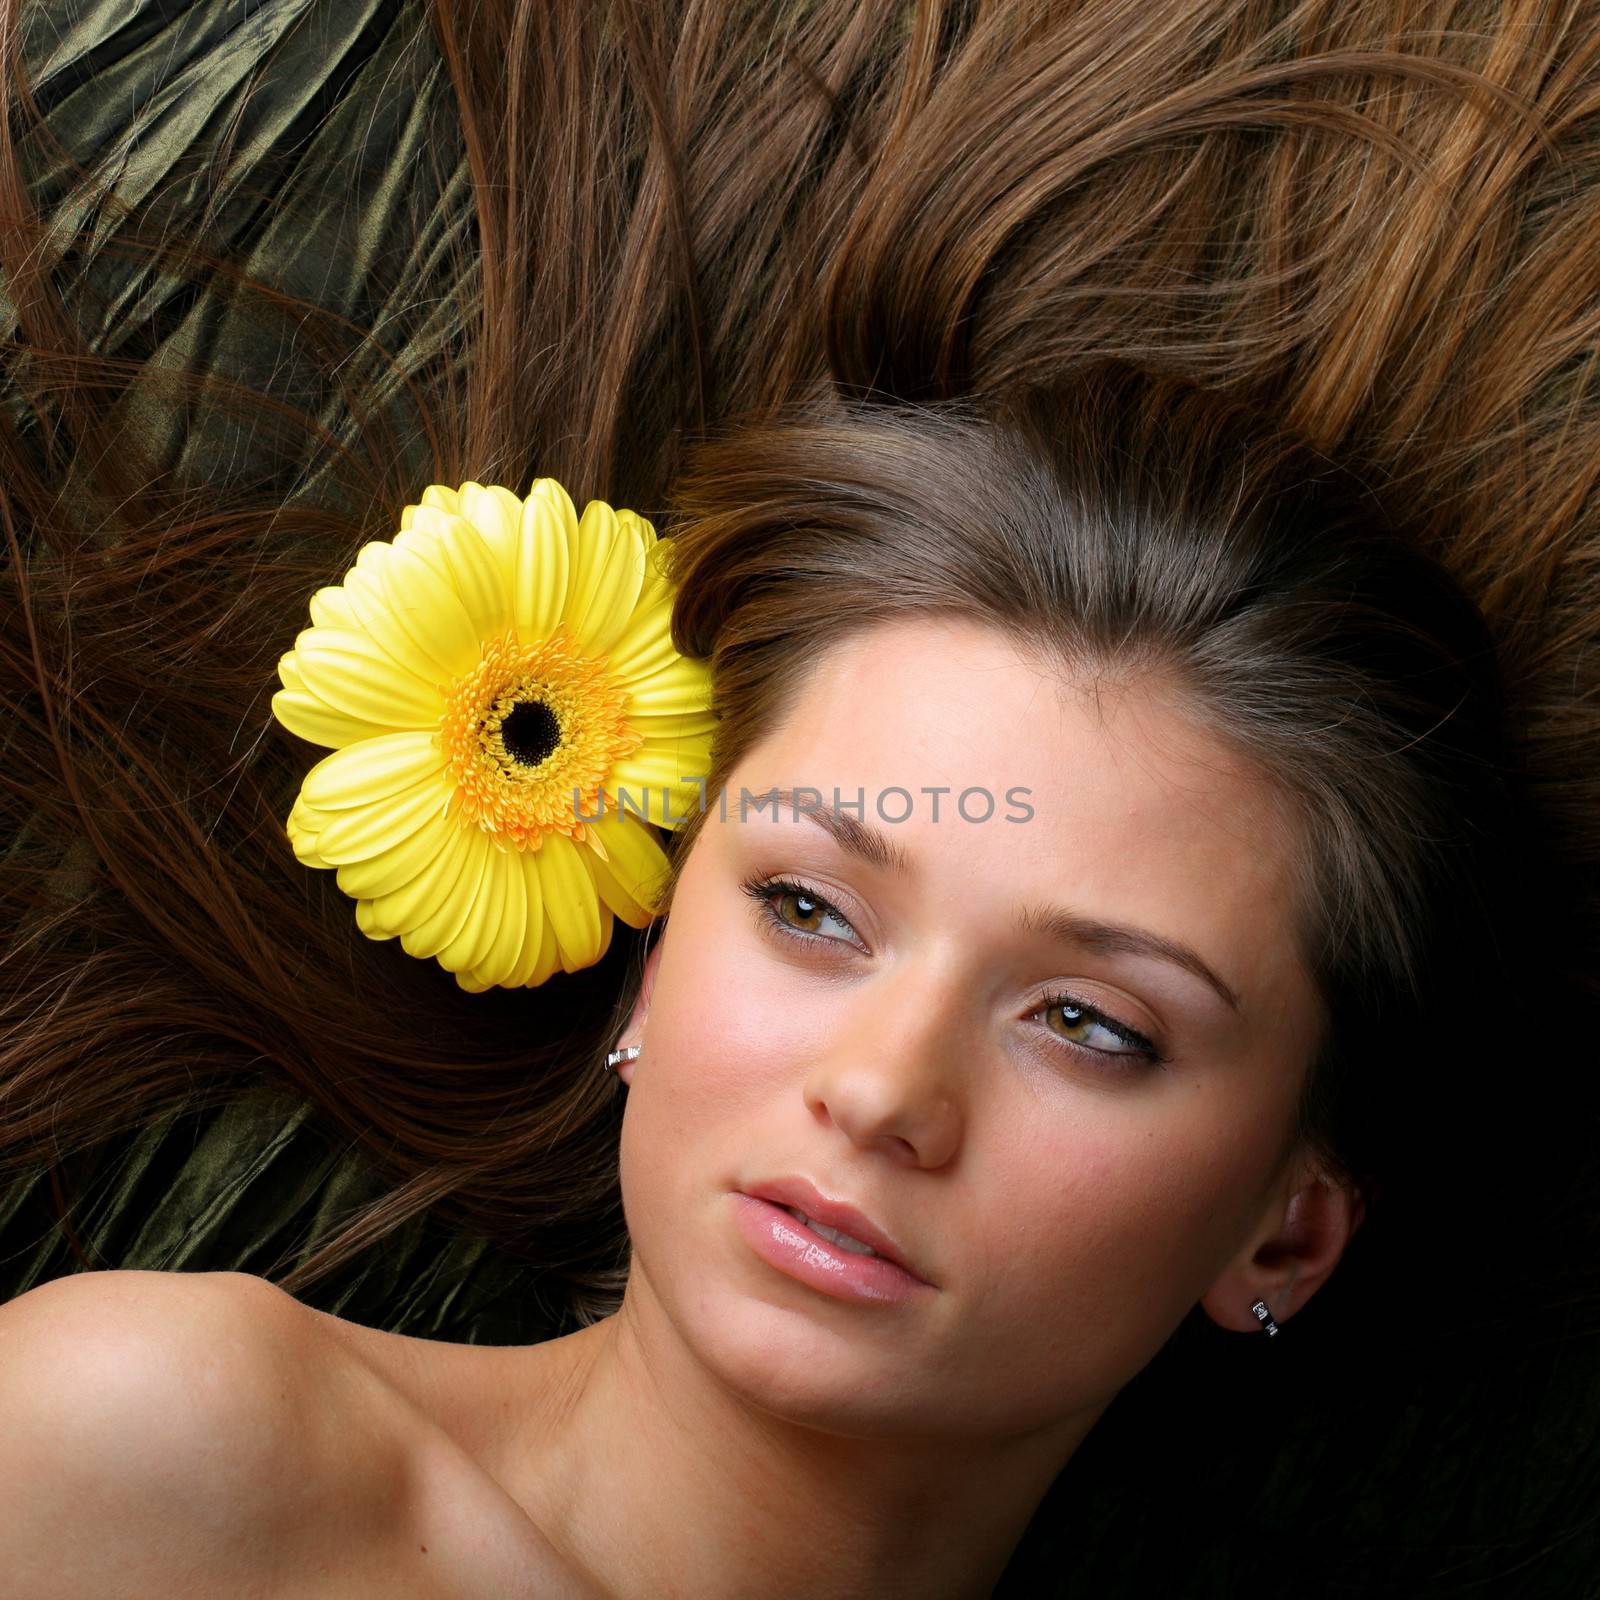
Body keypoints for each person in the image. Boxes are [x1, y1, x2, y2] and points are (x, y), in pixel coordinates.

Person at [0, 2, 1595, 1596]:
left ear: (1286, 1235)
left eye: (1092, 1022)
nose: (885, 1091)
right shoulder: (158, 1458)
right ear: (652, 960)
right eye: (809, 909)